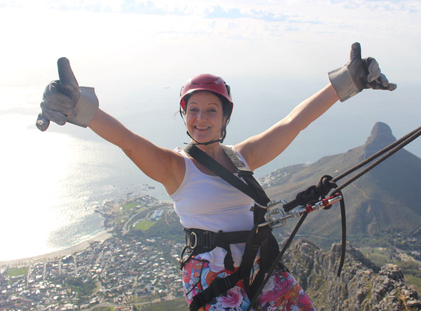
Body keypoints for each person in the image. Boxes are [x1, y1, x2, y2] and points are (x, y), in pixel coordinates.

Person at [37, 42, 396, 310]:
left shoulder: (243, 158)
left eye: (211, 110)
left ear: (225, 118)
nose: (201, 117)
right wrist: (80, 107)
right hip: (211, 276)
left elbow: (294, 123)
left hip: (259, 263)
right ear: (184, 116)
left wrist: (349, 80)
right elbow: (128, 142)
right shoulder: (175, 167)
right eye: (193, 109)